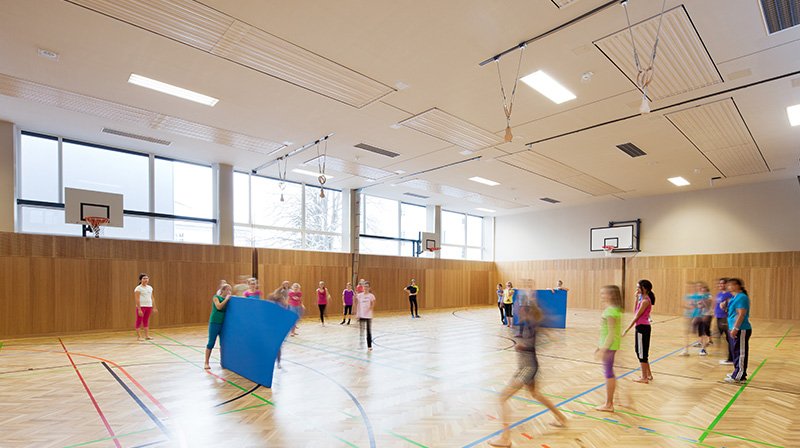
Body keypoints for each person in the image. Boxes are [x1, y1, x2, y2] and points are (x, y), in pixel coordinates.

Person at [488, 300, 567, 447]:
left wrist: (520, 346)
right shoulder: (528, 325)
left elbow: (528, 345)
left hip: (527, 368)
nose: (518, 311)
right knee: (536, 394)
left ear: (527, 312)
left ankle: (505, 438)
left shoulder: (530, 326)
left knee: (502, 398)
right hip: (528, 366)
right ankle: (561, 417)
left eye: (521, 309)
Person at [596, 285, 622, 412]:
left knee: (608, 374)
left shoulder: (610, 311)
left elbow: (611, 333)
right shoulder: (614, 310)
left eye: (603, 294)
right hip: (609, 345)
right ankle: (612, 400)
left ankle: (609, 404)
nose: (602, 296)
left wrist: (603, 349)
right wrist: (599, 346)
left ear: (611, 295)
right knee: (610, 372)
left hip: (609, 346)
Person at [623, 279, 654, 383]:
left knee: (641, 353)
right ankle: (648, 375)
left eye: (638, 287)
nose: (637, 289)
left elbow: (636, 316)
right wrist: (636, 298)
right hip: (641, 327)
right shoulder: (642, 299)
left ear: (644, 288)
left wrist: (627, 329)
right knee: (641, 351)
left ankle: (644, 377)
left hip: (642, 328)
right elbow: (635, 311)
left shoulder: (645, 301)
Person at [725, 278, 752, 383]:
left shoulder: (741, 297)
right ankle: (737, 372)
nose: (728, 287)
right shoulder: (734, 297)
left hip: (741, 329)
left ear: (737, 286)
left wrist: (736, 328)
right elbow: (733, 313)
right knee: (735, 352)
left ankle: (739, 376)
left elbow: (741, 314)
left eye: (730, 285)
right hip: (734, 328)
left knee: (740, 353)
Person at [204, 283, 232, 369]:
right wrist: (226, 299)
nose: (229, 292)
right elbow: (219, 307)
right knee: (211, 342)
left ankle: (223, 361)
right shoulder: (216, 297)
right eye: (227, 290)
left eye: (230, 290)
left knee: (223, 344)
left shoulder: (229, 300)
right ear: (223, 290)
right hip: (215, 322)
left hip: (223, 324)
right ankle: (206, 362)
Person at [714, 278, 734, 365]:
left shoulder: (729, 294)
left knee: (729, 339)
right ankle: (730, 356)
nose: (720, 285)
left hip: (725, 318)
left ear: (726, 285)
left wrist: (726, 308)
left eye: (722, 284)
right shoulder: (719, 294)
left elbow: (731, 306)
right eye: (719, 284)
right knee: (722, 337)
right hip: (719, 317)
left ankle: (731, 358)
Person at [134, 273, 157, 341]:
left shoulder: (150, 287)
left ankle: (147, 336)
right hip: (141, 306)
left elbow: (152, 298)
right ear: (141, 280)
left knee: (146, 320)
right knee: (139, 321)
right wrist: (139, 309)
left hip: (148, 306)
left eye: (147, 278)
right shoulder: (138, 288)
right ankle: (139, 337)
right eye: (144, 278)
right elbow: (137, 299)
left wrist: (154, 307)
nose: (145, 280)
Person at [356, 281, 376, 351]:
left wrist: (369, 309)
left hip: (368, 316)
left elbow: (373, 304)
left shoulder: (371, 296)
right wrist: (357, 314)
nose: (366, 288)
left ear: (369, 288)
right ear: (363, 287)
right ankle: (361, 345)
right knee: (361, 331)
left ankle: (369, 346)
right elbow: (357, 305)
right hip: (361, 315)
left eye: (367, 286)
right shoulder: (359, 295)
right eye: (365, 286)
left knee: (368, 331)